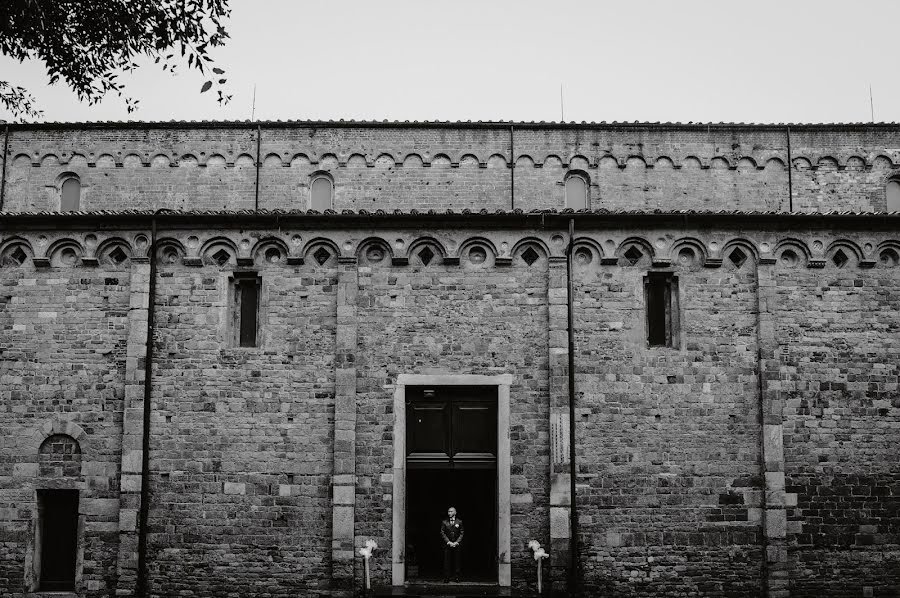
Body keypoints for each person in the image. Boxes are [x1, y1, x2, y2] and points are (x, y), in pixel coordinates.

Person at [440, 506, 464, 582]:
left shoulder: (459, 522)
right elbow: (442, 532)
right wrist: (448, 542)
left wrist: (457, 542)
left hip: (456, 545)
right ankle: (446, 577)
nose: (449, 513)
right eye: (448, 511)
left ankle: (457, 577)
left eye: (451, 511)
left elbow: (462, 533)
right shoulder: (444, 522)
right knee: (447, 561)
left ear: (455, 512)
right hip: (448, 545)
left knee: (457, 561)